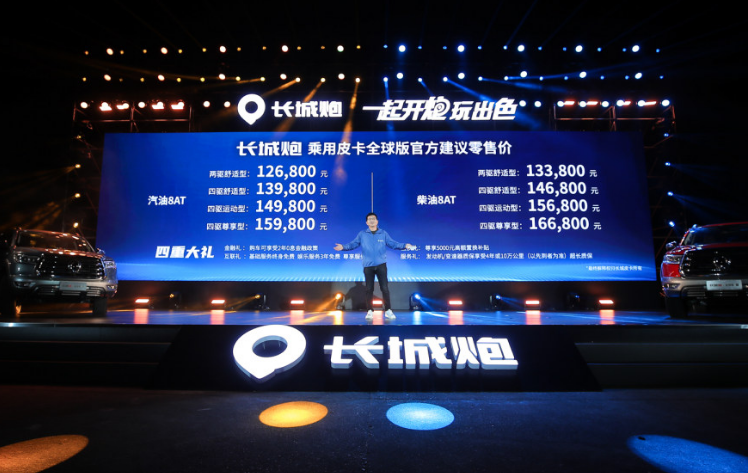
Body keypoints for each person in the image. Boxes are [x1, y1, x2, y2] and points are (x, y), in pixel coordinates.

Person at [334, 212, 414, 321]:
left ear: (377, 221)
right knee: (369, 289)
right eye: (369, 219)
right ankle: (370, 311)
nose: (372, 220)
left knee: (384, 288)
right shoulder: (362, 234)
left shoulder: (383, 233)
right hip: (368, 266)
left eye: (374, 219)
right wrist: (343, 247)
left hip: (381, 265)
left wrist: (405, 245)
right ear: (366, 222)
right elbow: (353, 244)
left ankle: (388, 310)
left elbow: (393, 244)